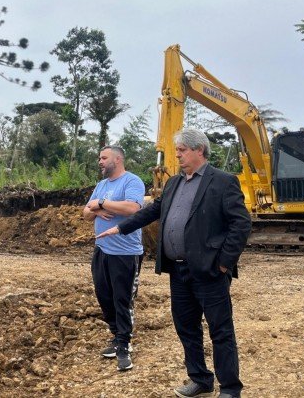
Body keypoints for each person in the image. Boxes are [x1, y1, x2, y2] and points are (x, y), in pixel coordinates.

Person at [98, 129, 250, 398]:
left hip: (210, 271)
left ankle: (230, 388)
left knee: (220, 330)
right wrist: (121, 229)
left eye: (181, 150)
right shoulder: (174, 183)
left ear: (199, 150)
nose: (177, 155)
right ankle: (200, 379)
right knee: (186, 327)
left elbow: (240, 224)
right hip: (178, 270)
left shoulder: (223, 182)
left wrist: (224, 263)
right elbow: (152, 212)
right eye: (177, 150)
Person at [83, 145, 145, 371]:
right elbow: (85, 214)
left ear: (117, 159)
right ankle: (116, 335)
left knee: (123, 299)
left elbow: (132, 208)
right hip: (101, 249)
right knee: (104, 296)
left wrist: (100, 204)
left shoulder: (132, 182)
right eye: (99, 157)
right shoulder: (101, 185)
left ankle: (125, 345)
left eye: (103, 157)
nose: (99, 161)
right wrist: (97, 210)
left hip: (125, 252)